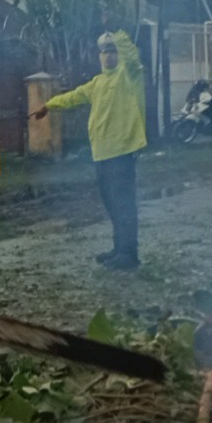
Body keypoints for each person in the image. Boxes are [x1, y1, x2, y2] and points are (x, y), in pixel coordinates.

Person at [41, 24, 150, 270]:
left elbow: (132, 56)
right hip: (101, 153)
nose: (108, 55)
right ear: (99, 55)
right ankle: (118, 249)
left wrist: (117, 33)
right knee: (111, 202)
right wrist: (49, 105)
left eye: (112, 50)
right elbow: (74, 96)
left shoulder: (129, 75)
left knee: (123, 203)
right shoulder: (97, 83)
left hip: (122, 151)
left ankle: (129, 255)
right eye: (104, 51)